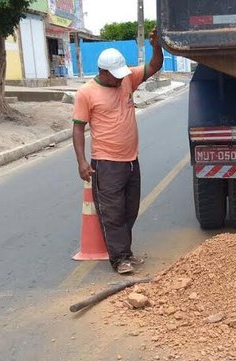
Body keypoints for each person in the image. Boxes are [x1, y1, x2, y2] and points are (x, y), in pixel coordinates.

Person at [72, 29, 164, 275]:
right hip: (106, 162)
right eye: (115, 75)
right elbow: (78, 129)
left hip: (131, 160)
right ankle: (119, 258)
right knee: (112, 213)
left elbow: (154, 65)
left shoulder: (127, 80)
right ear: (103, 72)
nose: (120, 79)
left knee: (130, 209)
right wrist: (82, 161)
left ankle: (126, 252)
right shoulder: (86, 93)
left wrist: (156, 45)